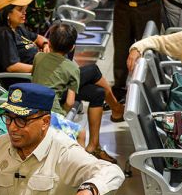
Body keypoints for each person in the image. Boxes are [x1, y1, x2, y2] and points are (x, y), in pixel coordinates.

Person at [32, 22, 125, 162]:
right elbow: (70, 102)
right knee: (94, 70)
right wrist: (62, 112)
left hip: (37, 96)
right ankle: (80, 163)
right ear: (72, 47)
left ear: (49, 43)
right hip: (54, 107)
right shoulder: (71, 68)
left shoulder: (38, 57)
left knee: (98, 92)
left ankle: (94, 147)